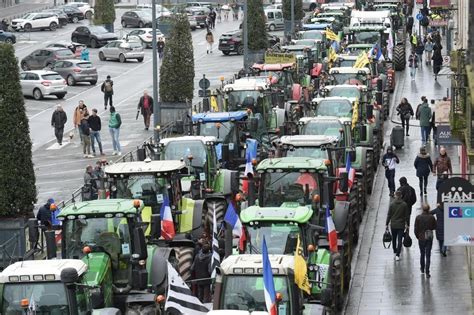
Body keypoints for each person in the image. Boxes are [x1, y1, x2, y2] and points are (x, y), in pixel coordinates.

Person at [386, 191, 410, 261]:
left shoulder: (392, 204)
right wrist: (407, 224)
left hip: (393, 224)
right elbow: (406, 216)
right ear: (401, 196)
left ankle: (394, 250)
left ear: (395, 195)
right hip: (401, 225)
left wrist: (386, 224)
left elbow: (389, 215)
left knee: (394, 238)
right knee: (400, 240)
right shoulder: (404, 205)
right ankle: (398, 254)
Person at [414, 204, 437, 277]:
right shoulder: (432, 217)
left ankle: (422, 268)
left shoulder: (418, 217)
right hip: (429, 237)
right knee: (428, 254)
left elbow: (416, 229)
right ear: (429, 209)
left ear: (422, 209)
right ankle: (427, 271)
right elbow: (434, 226)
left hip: (421, 237)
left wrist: (417, 236)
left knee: (422, 253)